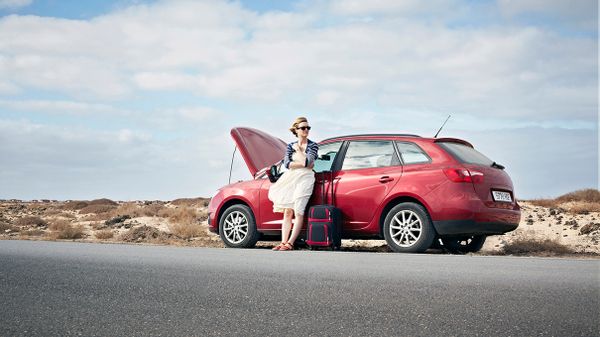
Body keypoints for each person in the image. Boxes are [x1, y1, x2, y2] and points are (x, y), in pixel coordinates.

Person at [268, 117, 318, 251]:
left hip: (306, 178)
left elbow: (308, 163)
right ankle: (283, 242)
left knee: (299, 211)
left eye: (308, 128)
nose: (306, 130)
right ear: (296, 130)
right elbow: (287, 164)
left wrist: (299, 151)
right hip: (291, 178)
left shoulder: (313, 145)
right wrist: (302, 162)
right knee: (287, 212)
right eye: (303, 128)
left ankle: (290, 243)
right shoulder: (290, 146)